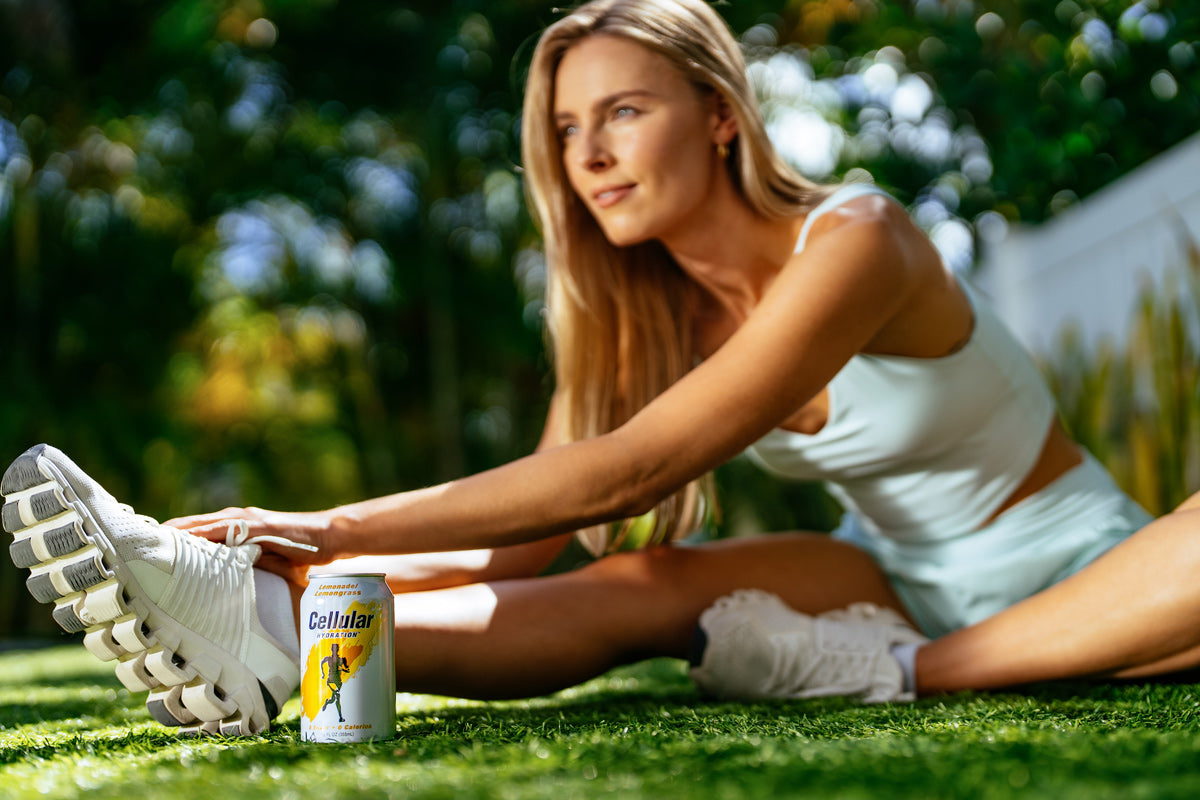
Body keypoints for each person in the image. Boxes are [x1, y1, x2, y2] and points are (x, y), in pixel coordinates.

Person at [5, 0, 1200, 736]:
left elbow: (628, 472)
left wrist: (314, 519)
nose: (591, 156)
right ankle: (274, 631)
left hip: (1091, 566)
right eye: (569, 131)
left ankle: (902, 674)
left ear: (722, 113)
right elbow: (527, 543)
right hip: (893, 569)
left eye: (623, 112)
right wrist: (295, 564)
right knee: (649, 583)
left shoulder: (859, 240)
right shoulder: (646, 314)